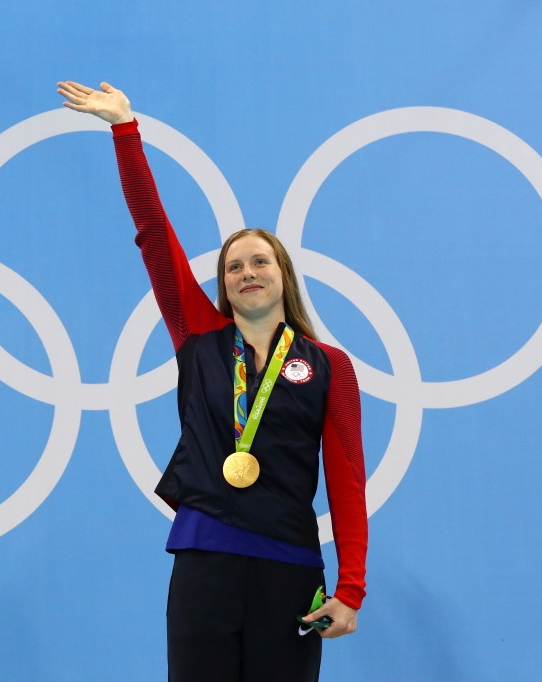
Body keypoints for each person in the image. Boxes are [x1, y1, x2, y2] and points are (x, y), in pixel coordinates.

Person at [56, 80, 368, 682]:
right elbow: (154, 233)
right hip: (206, 559)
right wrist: (125, 130)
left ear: (284, 275)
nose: (247, 272)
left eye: (259, 261)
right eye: (233, 266)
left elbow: (347, 482)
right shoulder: (197, 337)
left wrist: (350, 588)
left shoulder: (330, 365)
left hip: (291, 567)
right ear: (222, 286)